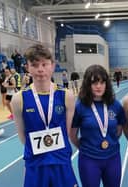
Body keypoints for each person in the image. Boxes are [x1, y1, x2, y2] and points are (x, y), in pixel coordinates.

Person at [10, 44, 78, 187]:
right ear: (27, 67)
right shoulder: (18, 99)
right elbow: (23, 136)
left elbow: (67, 130)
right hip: (36, 163)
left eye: (44, 64)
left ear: (52, 66)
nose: (40, 69)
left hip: (61, 161)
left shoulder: (66, 96)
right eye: (34, 65)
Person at [70, 64, 126, 187]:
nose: (99, 86)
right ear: (87, 85)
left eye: (102, 82)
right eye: (94, 83)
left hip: (112, 158)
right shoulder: (80, 106)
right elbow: (72, 134)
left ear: (107, 84)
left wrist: (110, 142)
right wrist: (85, 148)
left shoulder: (115, 105)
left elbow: (119, 130)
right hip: (89, 159)